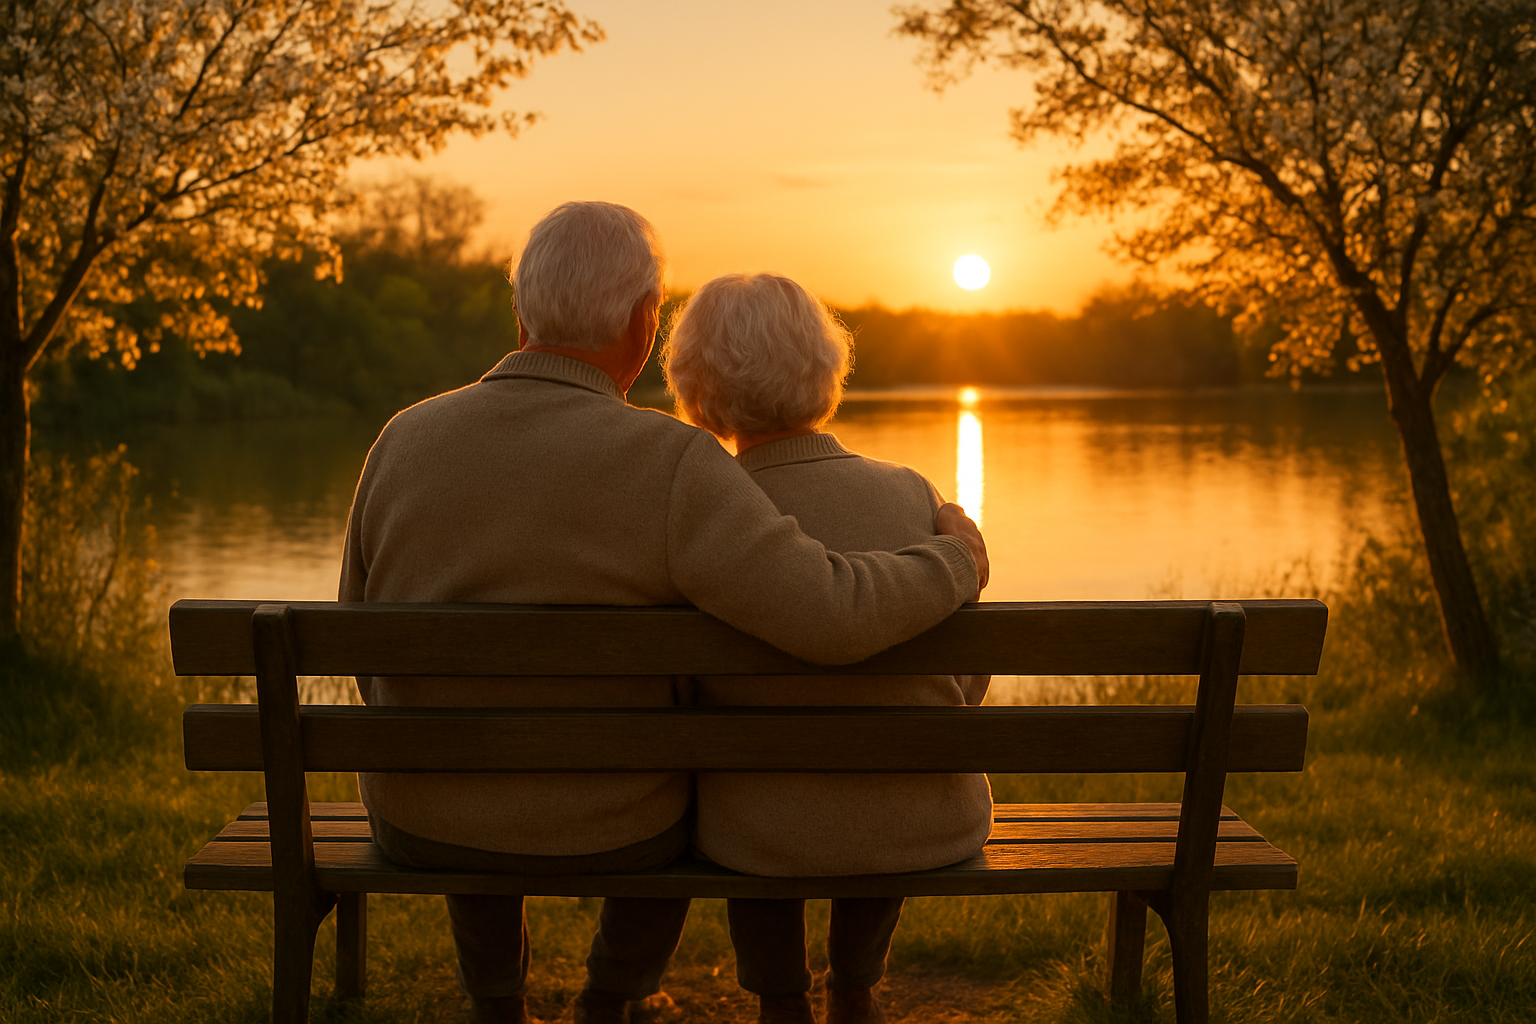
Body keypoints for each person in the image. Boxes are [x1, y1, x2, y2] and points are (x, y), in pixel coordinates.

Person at [339, 202, 989, 1024]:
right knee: (680, 799)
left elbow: (356, 630)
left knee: (487, 766)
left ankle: (496, 1003)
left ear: (521, 309)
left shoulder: (401, 440)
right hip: (613, 827)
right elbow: (827, 613)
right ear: (645, 319)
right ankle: (606, 999)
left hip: (420, 817)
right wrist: (953, 558)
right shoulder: (669, 459)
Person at [663, 272, 994, 1024]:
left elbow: (680, 692)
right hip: (927, 818)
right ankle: (855, 984)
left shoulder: (703, 512)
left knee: (760, 802)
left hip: (759, 830)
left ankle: (782, 997)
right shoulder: (914, 495)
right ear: (825, 370)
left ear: (696, 390)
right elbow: (963, 677)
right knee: (878, 771)